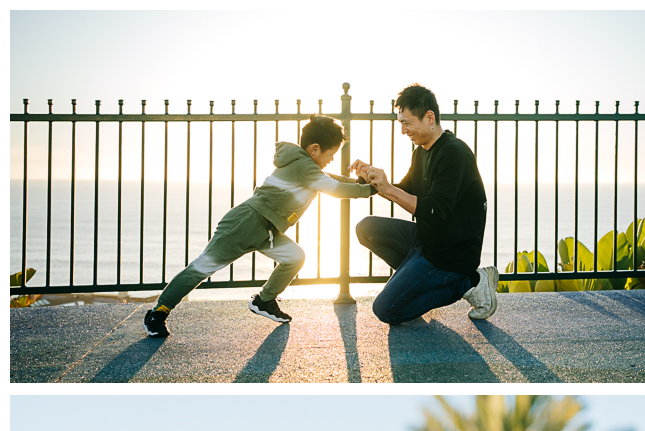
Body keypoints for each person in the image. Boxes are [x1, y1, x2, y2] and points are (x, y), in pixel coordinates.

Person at [143, 116, 375, 337]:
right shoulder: (304, 167)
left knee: (295, 257)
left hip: (268, 230)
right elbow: (336, 188)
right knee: (202, 269)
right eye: (331, 154)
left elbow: (334, 179)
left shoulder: (306, 167)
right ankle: (157, 314)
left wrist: (361, 182)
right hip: (245, 223)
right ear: (315, 149)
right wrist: (371, 190)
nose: (332, 159)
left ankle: (264, 301)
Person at [350, 83, 498, 325]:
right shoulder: (421, 152)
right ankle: (419, 285)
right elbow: (406, 189)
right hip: (426, 241)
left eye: (407, 123)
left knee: (385, 310)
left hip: (450, 255)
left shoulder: (454, 153)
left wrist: (388, 189)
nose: (403, 131)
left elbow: (435, 210)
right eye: (401, 124)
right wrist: (374, 180)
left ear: (429, 117)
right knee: (366, 228)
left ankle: (471, 282)